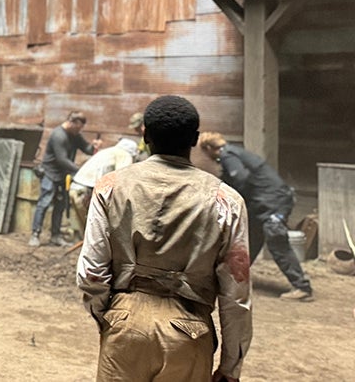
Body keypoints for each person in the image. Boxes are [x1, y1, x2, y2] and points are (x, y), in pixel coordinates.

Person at [77, 95, 252, 382]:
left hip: (123, 324)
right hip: (190, 331)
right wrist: (231, 366)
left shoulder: (110, 187)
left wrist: (107, 319)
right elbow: (237, 296)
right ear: (194, 139)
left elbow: (91, 273)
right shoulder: (226, 200)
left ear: (145, 134)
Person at [198, 132, 313, 301]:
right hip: (263, 204)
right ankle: (235, 279)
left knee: (277, 241)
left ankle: (302, 287)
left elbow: (241, 179)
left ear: (209, 148)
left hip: (272, 203)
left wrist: (233, 199)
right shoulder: (233, 152)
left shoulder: (227, 155)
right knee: (249, 241)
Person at [30, 111, 101, 247]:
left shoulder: (75, 135)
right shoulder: (58, 135)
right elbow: (62, 160)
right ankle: (35, 234)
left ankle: (55, 236)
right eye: (78, 127)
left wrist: (94, 148)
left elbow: (86, 148)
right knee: (44, 204)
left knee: (60, 206)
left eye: (81, 128)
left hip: (62, 176)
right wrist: (82, 171)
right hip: (50, 174)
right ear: (71, 122)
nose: (79, 131)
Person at [68, 138, 139, 237]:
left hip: (75, 189)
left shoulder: (108, 152)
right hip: (86, 193)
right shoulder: (125, 155)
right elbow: (122, 180)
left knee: (88, 233)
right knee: (95, 234)